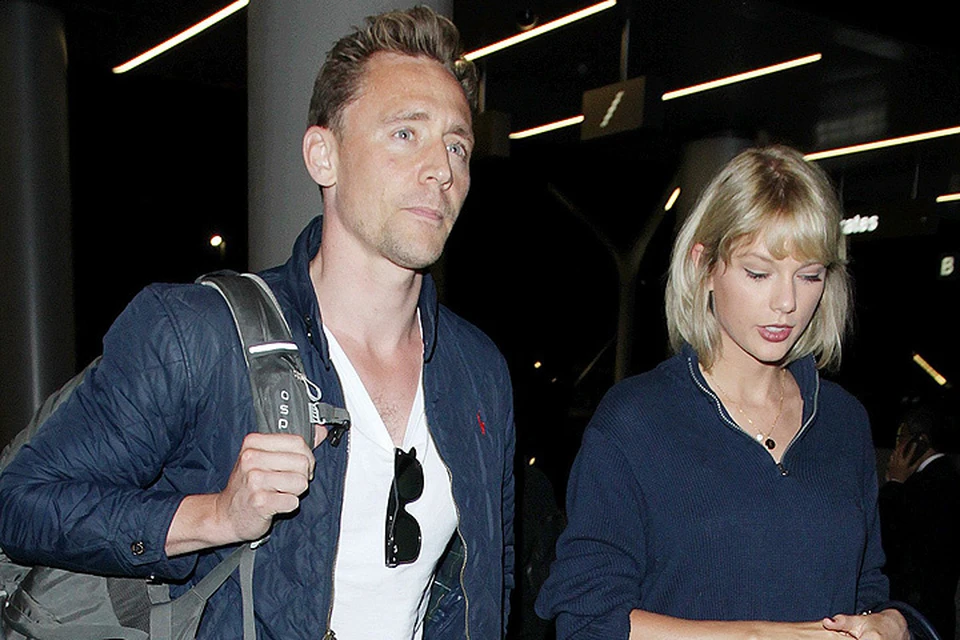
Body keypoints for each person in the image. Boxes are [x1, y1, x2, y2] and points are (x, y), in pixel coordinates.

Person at [0, 7, 515, 639]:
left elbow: (486, 581)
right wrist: (215, 516)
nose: (441, 168)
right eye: (405, 133)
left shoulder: (477, 370)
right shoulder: (199, 336)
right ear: (323, 156)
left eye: (457, 145)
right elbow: (21, 503)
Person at [535, 145, 908, 640]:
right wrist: (760, 635)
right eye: (758, 272)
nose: (787, 302)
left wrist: (892, 622)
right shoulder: (636, 420)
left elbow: (865, 588)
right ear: (704, 265)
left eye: (809, 275)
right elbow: (588, 618)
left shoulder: (844, 420)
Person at [880, 401, 960, 640]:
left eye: (901, 438)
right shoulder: (948, 476)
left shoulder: (925, 485)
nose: (897, 447)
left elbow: (890, 536)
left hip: (916, 609)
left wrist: (894, 484)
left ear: (919, 441)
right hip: (938, 609)